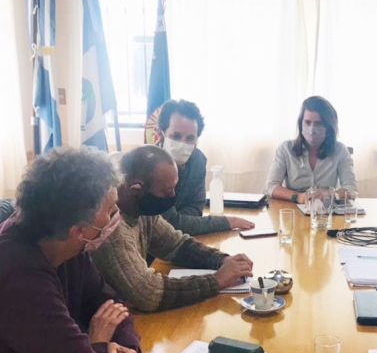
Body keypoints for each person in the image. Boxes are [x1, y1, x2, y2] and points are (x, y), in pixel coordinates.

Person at [0, 147, 141, 353]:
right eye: (110, 209)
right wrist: (100, 343)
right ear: (79, 229)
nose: (116, 216)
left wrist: (127, 350)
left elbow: (111, 305)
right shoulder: (17, 274)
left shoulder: (66, 243)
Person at [91, 145, 254, 313]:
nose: (173, 196)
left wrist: (223, 260)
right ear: (136, 190)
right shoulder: (111, 231)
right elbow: (149, 294)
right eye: (167, 190)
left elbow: (177, 245)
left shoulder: (143, 209)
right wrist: (216, 281)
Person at [156, 99, 254, 235]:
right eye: (176, 136)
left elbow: (196, 209)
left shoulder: (198, 160)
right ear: (161, 134)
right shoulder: (149, 167)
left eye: (190, 138)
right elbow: (169, 224)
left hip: (178, 240)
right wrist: (226, 222)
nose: (182, 143)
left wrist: (183, 221)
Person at [265, 96, 357, 203]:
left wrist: (329, 194)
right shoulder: (285, 149)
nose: (312, 130)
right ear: (301, 124)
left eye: (318, 123)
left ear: (328, 127)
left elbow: (351, 188)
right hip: (293, 209)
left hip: (326, 212)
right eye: (307, 122)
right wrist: (297, 196)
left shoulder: (340, 150)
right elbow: (270, 186)